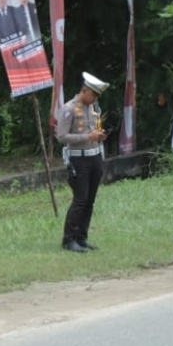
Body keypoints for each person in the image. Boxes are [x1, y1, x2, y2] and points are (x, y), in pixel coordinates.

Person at [56, 72, 109, 253]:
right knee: (80, 199)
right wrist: (87, 136)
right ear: (84, 90)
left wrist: (98, 136)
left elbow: (95, 128)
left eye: (97, 96)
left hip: (94, 155)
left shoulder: (94, 108)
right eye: (92, 94)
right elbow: (61, 136)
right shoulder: (69, 108)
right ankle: (68, 239)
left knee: (90, 201)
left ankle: (82, 237)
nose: (94, 98)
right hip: (78, 158)